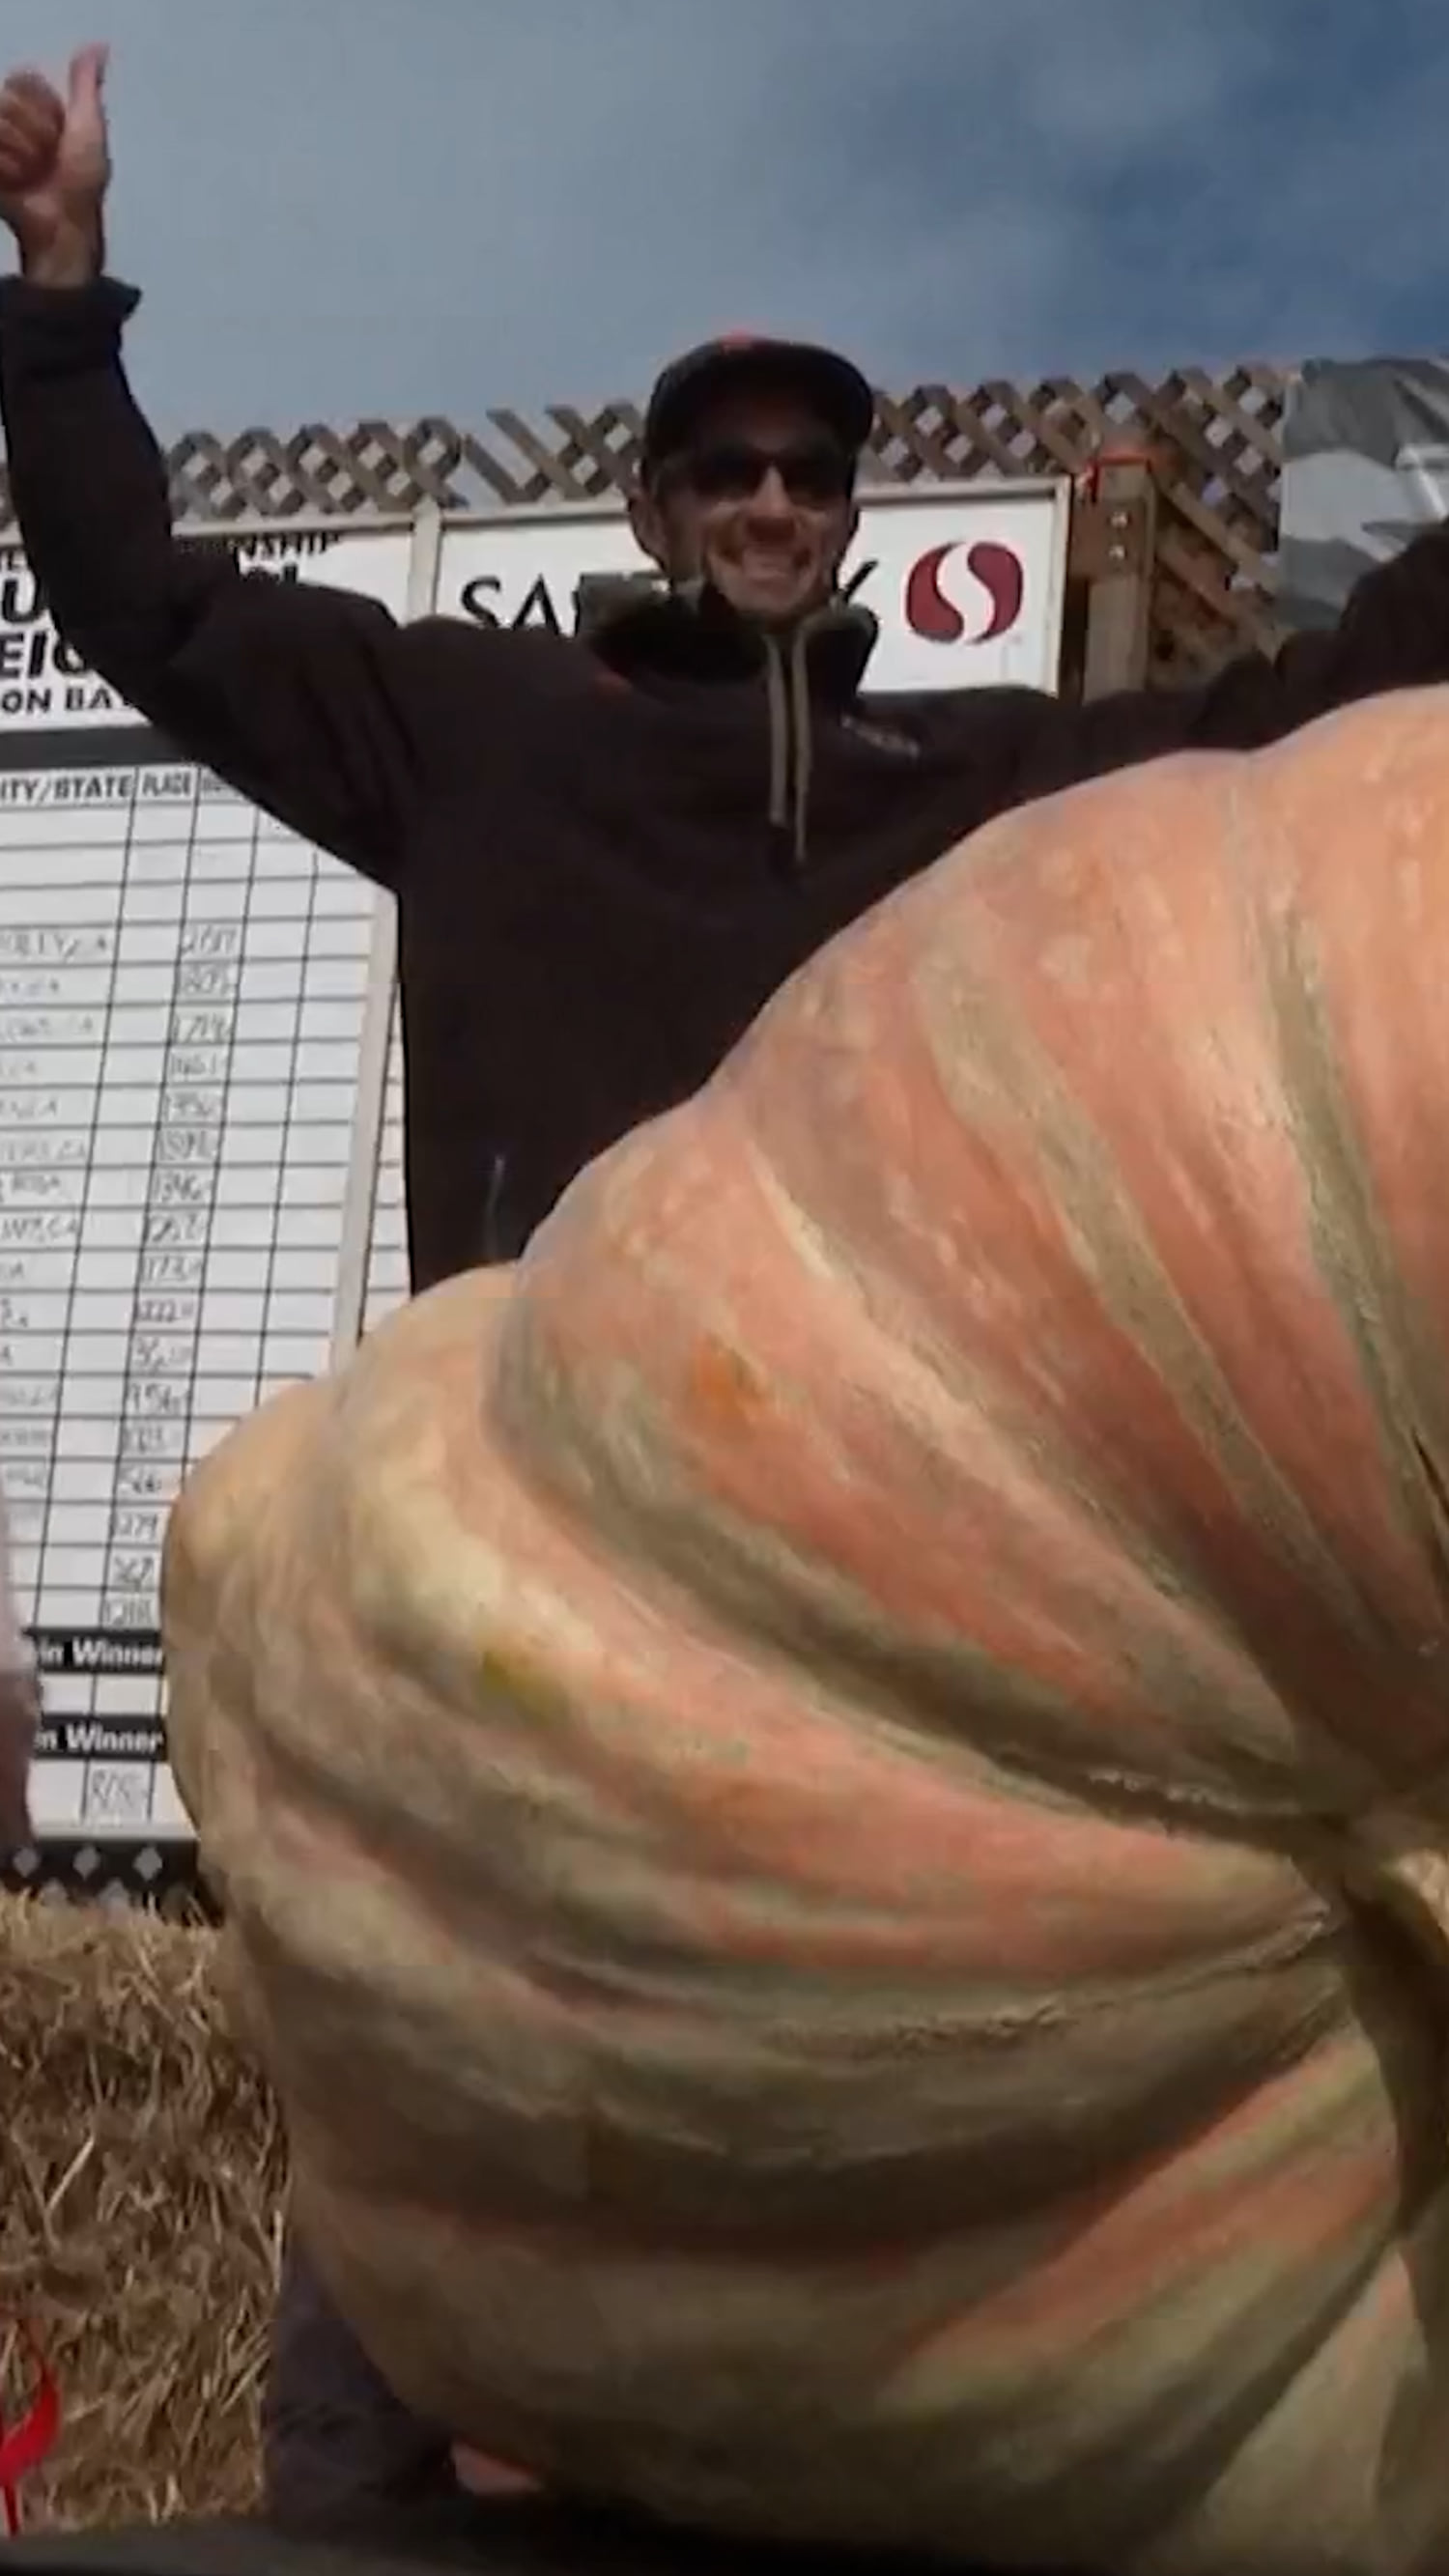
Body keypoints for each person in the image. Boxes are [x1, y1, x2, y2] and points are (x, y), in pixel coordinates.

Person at [7, 33, 1449, 2535]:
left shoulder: (972, 779)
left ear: (844, 506)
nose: (774, 499)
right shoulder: (481, 727)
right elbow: (145, 609)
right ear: (662, 503)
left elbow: (1307, 713)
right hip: (548, 1594)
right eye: (730, 464)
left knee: (858, 2354)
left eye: (811, 464)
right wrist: (58, 289)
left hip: (919, 1639)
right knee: (403, 2270)